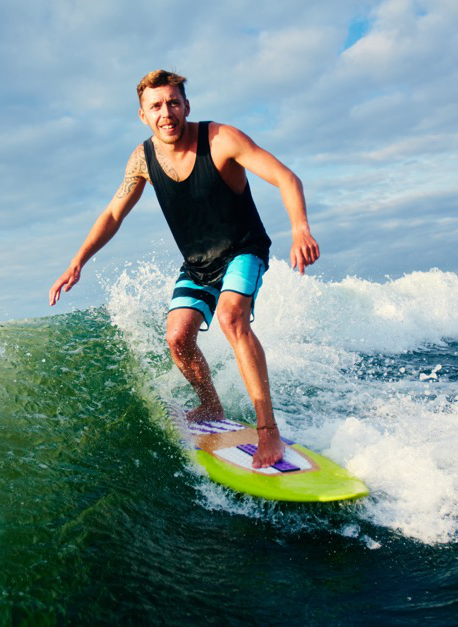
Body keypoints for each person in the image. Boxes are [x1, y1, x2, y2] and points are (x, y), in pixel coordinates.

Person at [49, 70, 319, 468]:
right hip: (197, 264)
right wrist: (77, 262)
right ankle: (210, 405)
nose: (166, 113)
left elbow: (285, 177)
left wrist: (300, 229)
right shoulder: (142, 159)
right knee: (177, 338)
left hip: (243, 249)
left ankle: (269, 432)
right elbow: (113, 213)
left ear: (186, 106)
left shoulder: (221, 139)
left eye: (173, 102)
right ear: (143, 115)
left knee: (231, 318)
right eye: (155, 106)